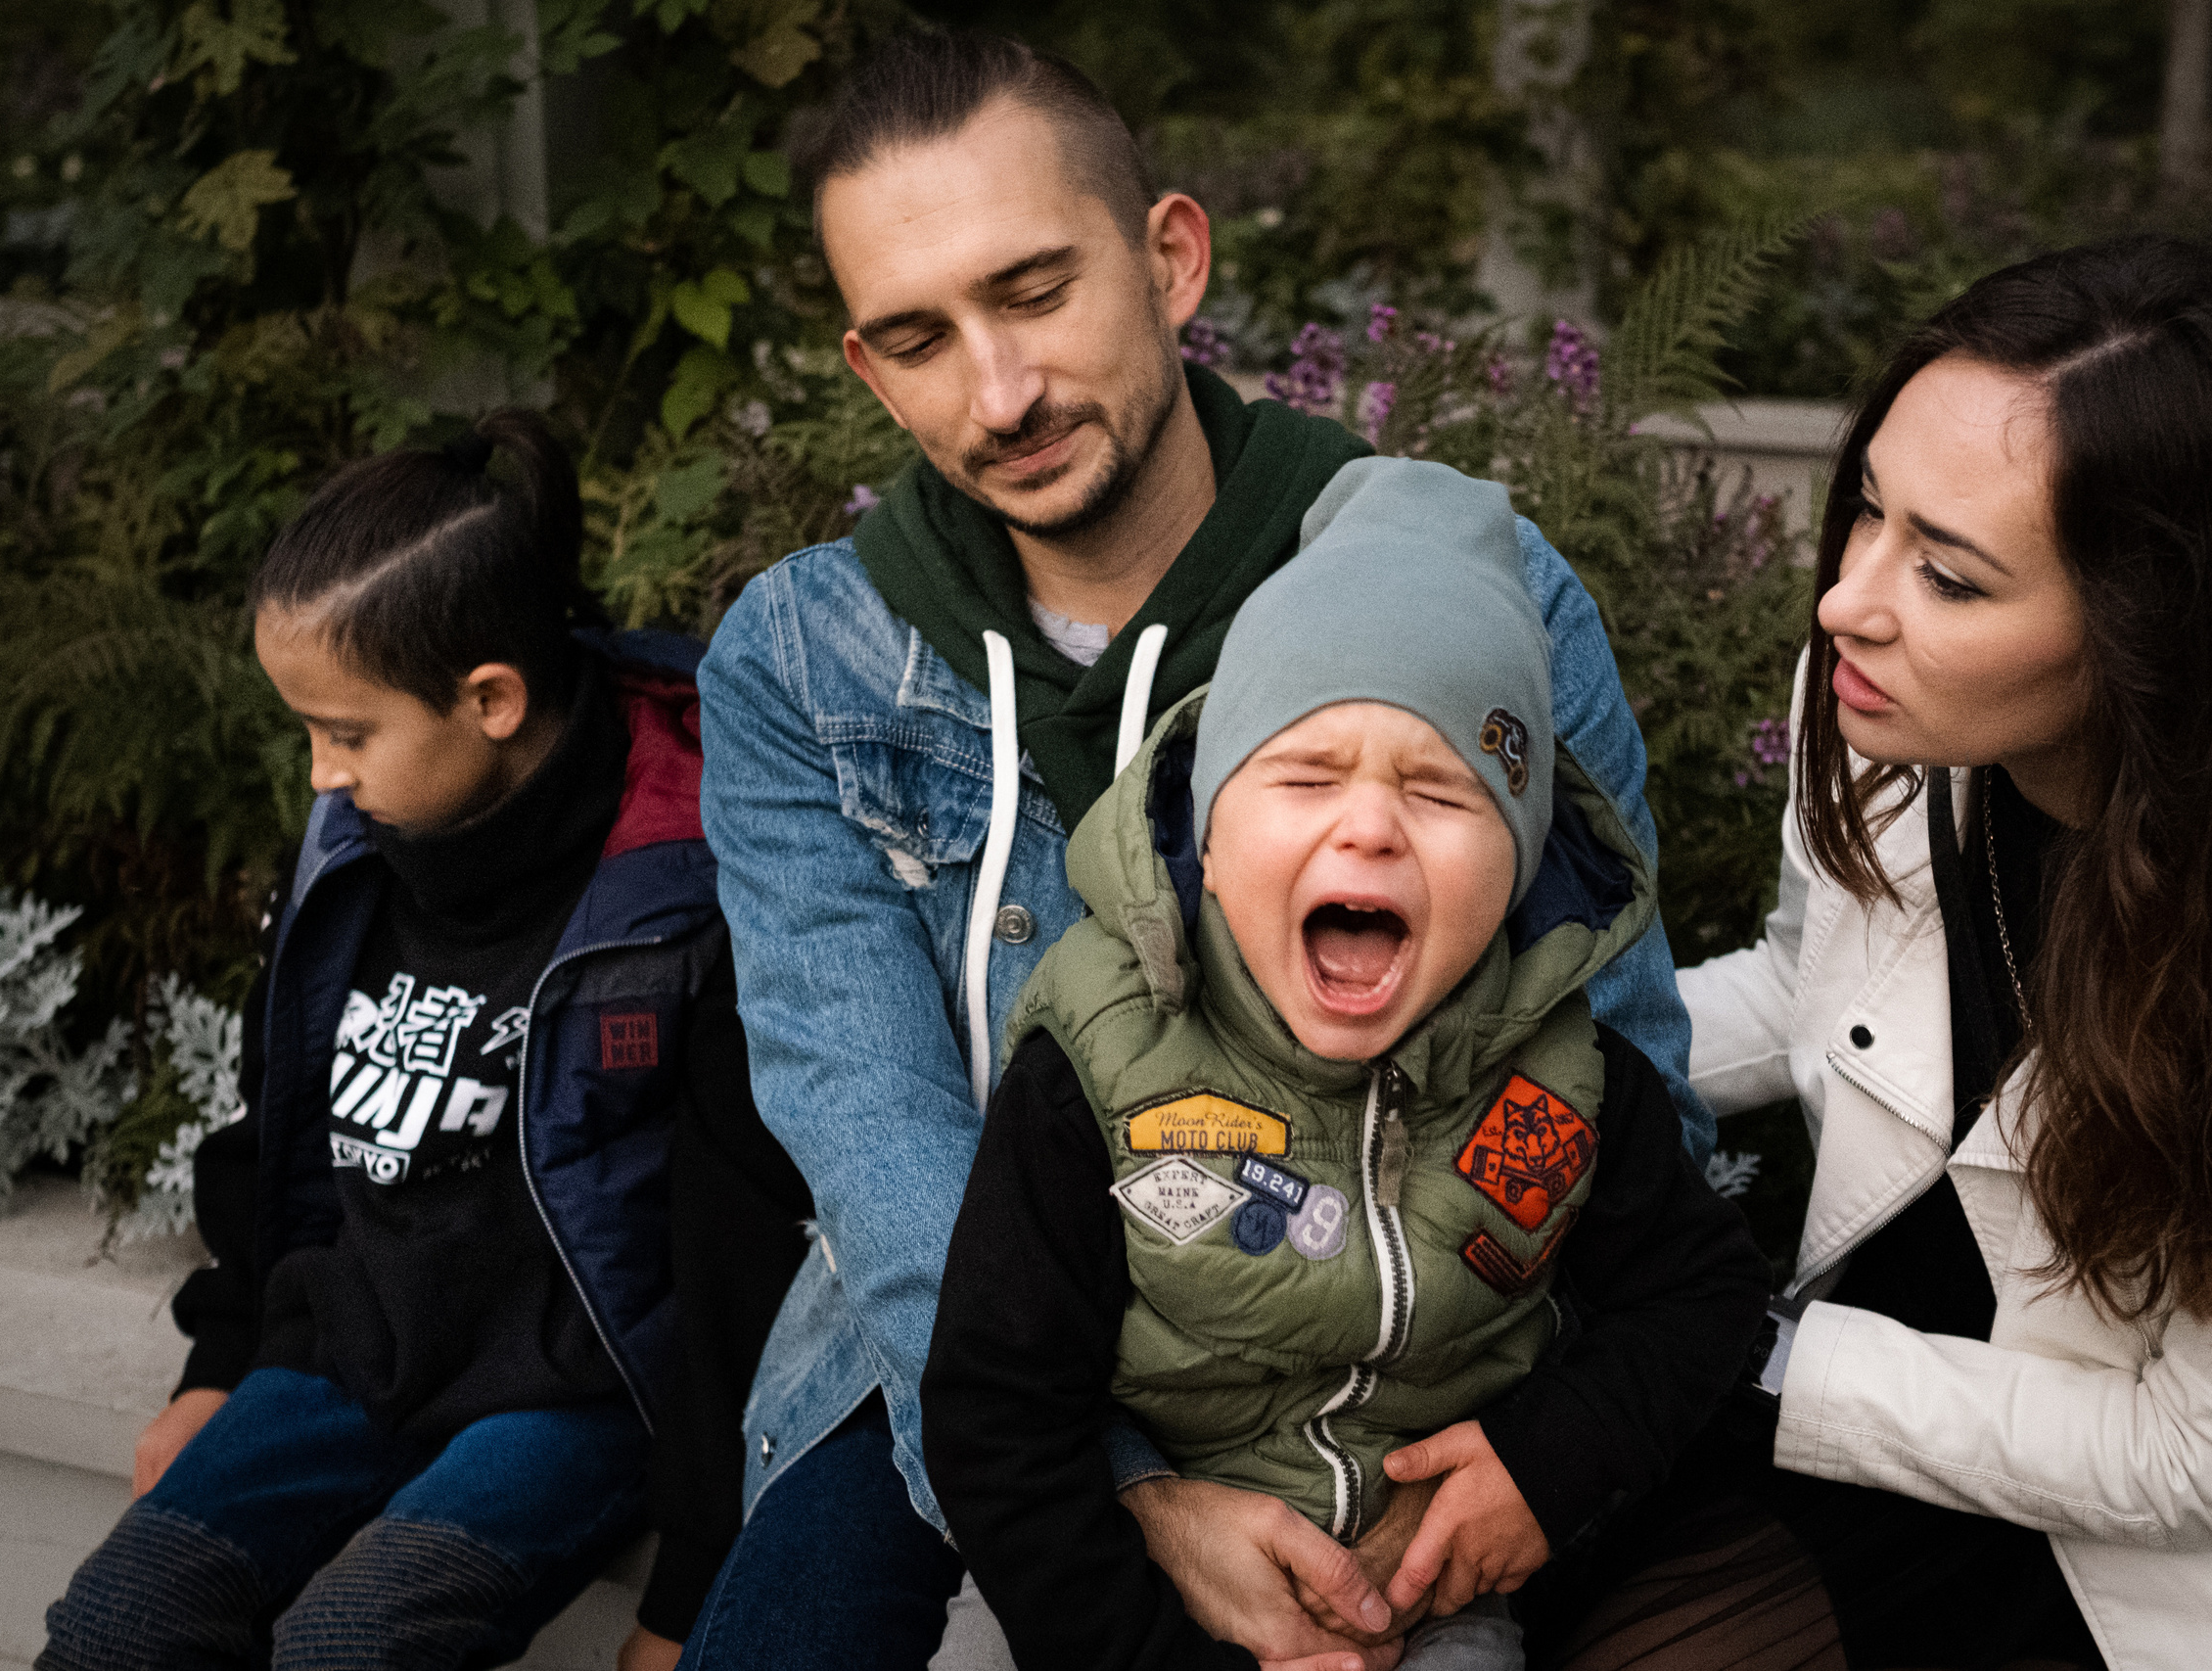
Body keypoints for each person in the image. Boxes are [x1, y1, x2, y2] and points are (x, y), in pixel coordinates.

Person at [690, 27, 1713, 1671]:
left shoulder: (1463, 600)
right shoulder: (803, 659)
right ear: (868, 372)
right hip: (963, 1327)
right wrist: (1119, 1490)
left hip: (1409, 1338)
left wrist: (1548, 1452)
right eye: (920, 338)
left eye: (1034, 293)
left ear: (1170, 260)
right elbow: (871, 1130)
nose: (999, 392)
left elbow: (1617, 1055)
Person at [1548, 236, 2212, 1671]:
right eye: (1867, 511)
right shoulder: (1883, 714)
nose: (1851, 597)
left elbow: (2200, 1452)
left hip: (2120, 1540)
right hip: (1857, 1381)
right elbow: (1811, 984)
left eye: (1952, 575)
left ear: (2168, 633)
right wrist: (1524, 1049)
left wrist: (1739, 1350)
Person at [919, 457, 1769, 1671]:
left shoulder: (1563, 1079)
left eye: (1440, 792)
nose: (1367, 826)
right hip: (1104, 1586)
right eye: (1305, 777)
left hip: (1418, 1594)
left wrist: (1545, 1460)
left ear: (1521, 867)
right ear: (1208, 836)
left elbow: (1702, 1299)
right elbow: (995, 1416)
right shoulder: (1102, 1060)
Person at [39, 410, 771, 1670]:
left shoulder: (686, 882)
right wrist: (221, 1361)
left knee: (353, 1643)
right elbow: (279, 1123)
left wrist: (692, 1582)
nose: (321, 775)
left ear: (489, 698)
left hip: (573, 1395)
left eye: (347, 732)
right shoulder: (351, 850)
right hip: (349, 1354)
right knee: (119, 1621)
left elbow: (738, 1244)